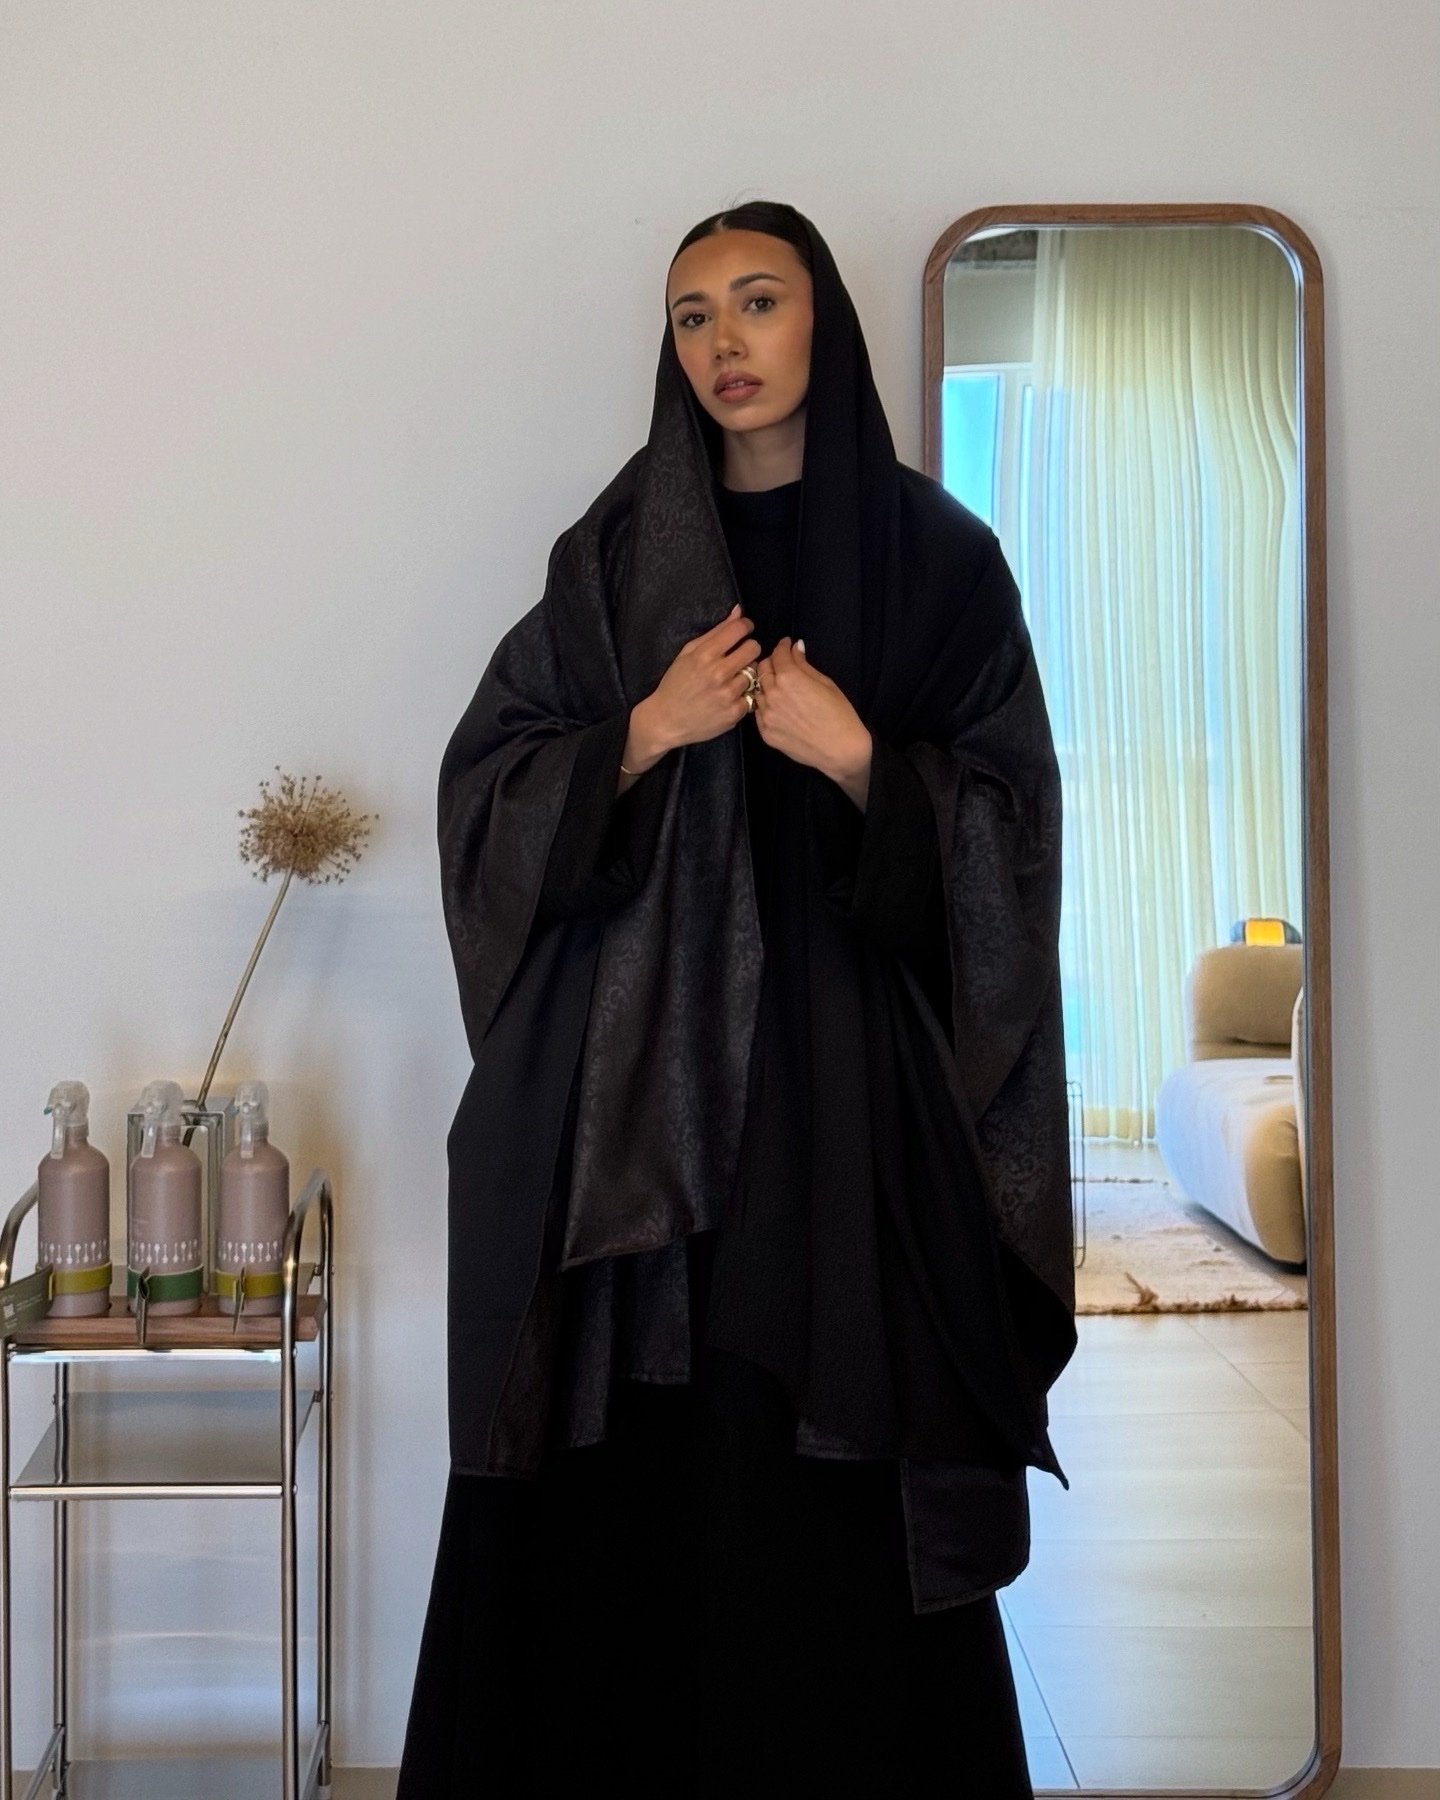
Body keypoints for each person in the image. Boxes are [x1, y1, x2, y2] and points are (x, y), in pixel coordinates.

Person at [396, 199, 1077, 1798]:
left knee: (834, 1422)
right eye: (693, 314)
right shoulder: (616, 556)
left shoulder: (937, 563)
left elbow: (1017, 829)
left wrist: (861, 761)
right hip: (641, 1095)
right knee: (649, 1434)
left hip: (843, 1093)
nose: (724, 343)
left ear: (820, 318)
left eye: (757, 302)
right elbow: (486, 787)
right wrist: (645, 731)